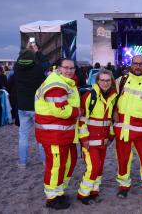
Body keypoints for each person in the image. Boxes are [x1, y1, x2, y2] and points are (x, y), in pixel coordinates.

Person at [112, 55, 142, 199]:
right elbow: (111, 100)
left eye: (141, 64)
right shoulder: (120, 81)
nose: (138, 66)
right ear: (131, 64)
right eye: (135, 63)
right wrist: (115, 110)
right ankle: (123, 186)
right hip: (122, 130)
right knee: (122, 160)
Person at [34, 59, 80, 210]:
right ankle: (52, 198)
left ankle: (58, 192)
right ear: (59, 68)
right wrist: (78, 112)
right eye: (66, 68)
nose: (69, 70)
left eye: (72, 68)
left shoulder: (63, 81)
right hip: (53, 134)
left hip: (62, 133)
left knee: (66, 163)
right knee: (55, 166)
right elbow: (61, 111)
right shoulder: (56, 85)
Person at [77, 69, 117, 205]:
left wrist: (111, 136)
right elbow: (81, 120)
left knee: (99, 168)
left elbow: (110, 120)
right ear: (97, 81)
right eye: (102, 80)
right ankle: (83, 194)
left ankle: (94, 191)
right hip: (90, 141)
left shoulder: (112, 97)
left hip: (104, 141)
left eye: (108, 80)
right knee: (93, 167)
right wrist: (84, 139)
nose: (105, 83)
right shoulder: (89, 96)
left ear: (111, 82)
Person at [14, 41, 49, 168]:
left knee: (23, 135)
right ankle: (45, 161)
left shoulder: (17, 68)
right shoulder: (38, 68)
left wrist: (26, 50)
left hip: (22, 106)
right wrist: (37, 51)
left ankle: (22, 162)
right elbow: (46, 63)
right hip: (37, 107)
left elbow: (19, 60)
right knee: (40, 135)